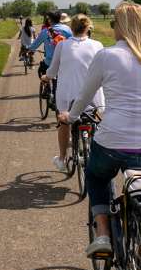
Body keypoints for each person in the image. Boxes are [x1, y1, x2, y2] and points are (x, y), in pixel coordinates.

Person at [67, 3, 141, 258]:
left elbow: (85, 96)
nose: (113, 28)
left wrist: (71, 116)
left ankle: (104, 234)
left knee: (97, 177)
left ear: (121, 26)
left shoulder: (106, 56)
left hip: (113, 142)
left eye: (113, 23)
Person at [44, 14, 104, 173]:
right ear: (88, 28)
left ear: (71, 28)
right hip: (93, 96)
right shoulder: (97, 45)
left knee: (64, 122)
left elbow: (53, 69)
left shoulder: (62, 46)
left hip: (67, 96)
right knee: (96, 122)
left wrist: (46, 77)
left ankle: (62, 159)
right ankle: (96, 150)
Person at [28, 12, 72, 78]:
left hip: (50, 62)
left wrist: (28, 48)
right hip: (65, 61)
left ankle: (46, 86)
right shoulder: (68, 29)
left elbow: (34, 45)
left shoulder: (45, 31)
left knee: (41, 71)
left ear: (50, 20)